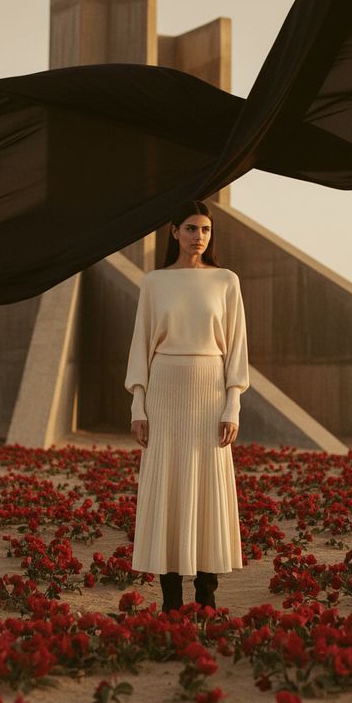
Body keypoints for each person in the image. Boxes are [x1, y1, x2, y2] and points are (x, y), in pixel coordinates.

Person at [124, 199, 249, 613]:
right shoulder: (155, 282)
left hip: (210, 392)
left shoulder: (226, 281)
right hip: (164, 392)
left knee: (209, 489)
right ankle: (172, 601)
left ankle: (207, 598)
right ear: (174, 232)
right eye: (191, 228)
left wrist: (233, 404)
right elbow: (141, 344)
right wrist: (138, 406)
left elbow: (236, 348)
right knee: (168, 489)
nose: (199, 236)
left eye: (206, 230)